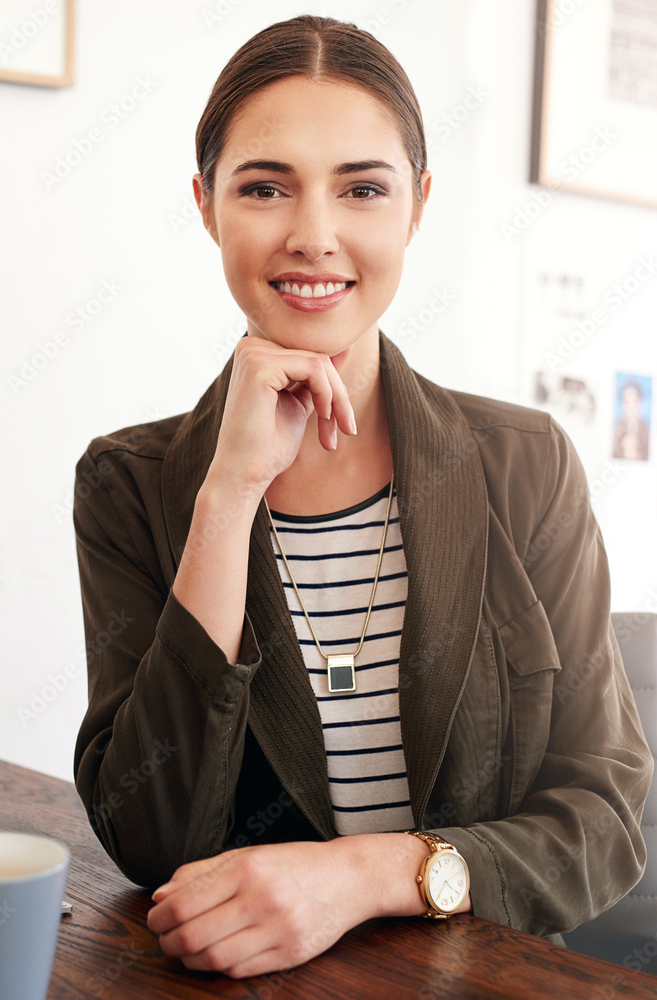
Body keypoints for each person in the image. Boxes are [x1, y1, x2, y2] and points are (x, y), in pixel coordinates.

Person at [71, 14, 652, 979]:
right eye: (264, 187)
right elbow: (149, 835)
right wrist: (229, 491)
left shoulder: (526, 464)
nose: (314, 235)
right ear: (207, 206)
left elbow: (603, 821)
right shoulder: (129, 484)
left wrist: (373, 874)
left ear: (416, 207)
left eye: (363, 189)